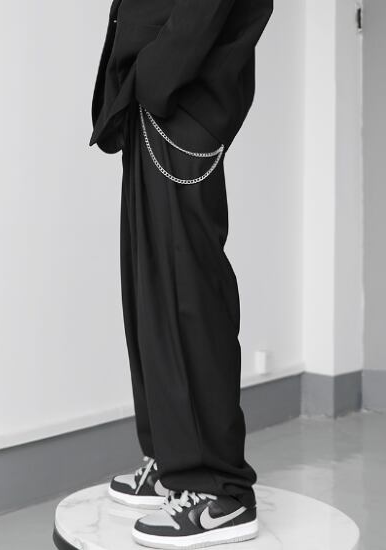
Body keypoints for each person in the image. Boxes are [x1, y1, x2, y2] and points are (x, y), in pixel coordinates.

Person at [90, 0, 273, 547]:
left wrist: (155, 78)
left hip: (180, 103)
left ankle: (220, 490)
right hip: (155, 105)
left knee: (187, 297)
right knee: (149, 293)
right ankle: (172, 461)